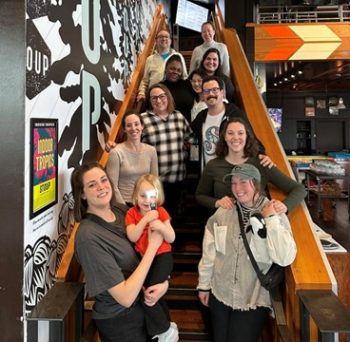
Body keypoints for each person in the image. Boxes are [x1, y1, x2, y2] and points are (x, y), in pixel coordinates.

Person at [197, 163, 297, 342]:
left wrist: (271, 219)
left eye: (243, 182)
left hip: (252, 297)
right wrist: (204, 285)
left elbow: (285, 257)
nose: (237, 188)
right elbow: (210, 252)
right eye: (234, 183)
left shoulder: (274, 211)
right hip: (220, 292)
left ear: (256, 184)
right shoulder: (223, 211)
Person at [72, 162, 170, 342]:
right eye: (92, 185)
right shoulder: (88, 237)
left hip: (143, 306)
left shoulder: (121, 210)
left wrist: (163, 283)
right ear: (82, 194)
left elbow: (159, 246)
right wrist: (153, 248)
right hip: (120, 321)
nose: (101, 187)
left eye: (103, 180)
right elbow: (124, 297)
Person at [196, 117, 306, 211]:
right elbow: (200, 196)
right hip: (224, 226)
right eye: (230, 133)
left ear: (247, 136)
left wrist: (285, 206)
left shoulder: (261, 163)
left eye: (240, 133)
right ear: (224, 137)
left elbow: (299, 189)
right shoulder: (213, 165)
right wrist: (217, 202)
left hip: (256, 225)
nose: (235, 137)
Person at [125, 174, 178, 341]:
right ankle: (167, 324)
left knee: (149, 295)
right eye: (142, 196)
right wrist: (145, 220)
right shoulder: (132, 213)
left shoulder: (161, 212)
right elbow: (133, 236)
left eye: (152, 196)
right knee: (152, 294)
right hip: (144, 260)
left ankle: (164, 330)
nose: (147, 201)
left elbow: (171, 238)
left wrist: (162, 226)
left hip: (162, 257)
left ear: (158, 197)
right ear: (135, 196)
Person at [141, 83, 193, 216]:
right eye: (154, 98)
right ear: (150, 101)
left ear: (168, 97)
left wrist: (191, 158)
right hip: (154, 184)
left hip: (178, 180)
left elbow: (192, 140)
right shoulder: (143, 120)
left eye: (162, 96)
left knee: (174, 217)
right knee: (154, 217)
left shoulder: (179, 117)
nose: (158, 100)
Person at [191, 76, 262, 170]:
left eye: (215, 90)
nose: (211, 93)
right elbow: (189, 135)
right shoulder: (201, 117)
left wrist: (262, 154)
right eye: (206, 91)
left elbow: (251, 138)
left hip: (230, 173)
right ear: (203, 95)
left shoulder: (235, 114)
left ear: (222, 93)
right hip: (207, 173)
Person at [106, 111, 158, 206]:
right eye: (129, 125)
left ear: (142, 126)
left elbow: (154, 183)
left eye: (136, 124)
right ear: (124, 129)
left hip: (146, 204)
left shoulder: (151, 151)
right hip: (124, 204)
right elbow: (113, 186)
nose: (133, 128)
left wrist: (152, 207)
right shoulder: (116, 152)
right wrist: (125, 210)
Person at [137, 29, 188, 103]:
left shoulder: (178, 56)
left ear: (170, 41)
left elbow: (184, 76)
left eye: (166, 37)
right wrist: (141, 93)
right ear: (156, 41)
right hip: (155, 98)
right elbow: (145, 80)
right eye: (160, 37)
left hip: (174, 96)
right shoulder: (150, 59)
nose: (164, 39)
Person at [160, 54, 195, 121]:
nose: (175, 72)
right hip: (168, 126)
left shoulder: (188, 84)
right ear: (166, 69)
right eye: (172, 69)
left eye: (178, 70)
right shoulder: (160, 87)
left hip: (187, 126)